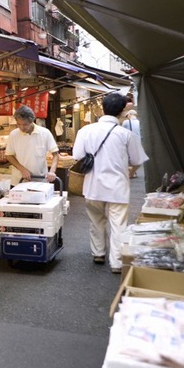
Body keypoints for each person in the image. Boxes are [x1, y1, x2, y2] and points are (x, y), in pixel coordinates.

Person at [72, 93, 148, 274]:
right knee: (118, 224)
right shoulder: (126, 134)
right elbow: (137, 159)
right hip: (118, 187)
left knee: (96, 220)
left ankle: (98, 253)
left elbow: (77, 157)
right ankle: (117, 262)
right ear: (122, 111)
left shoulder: (85, 131)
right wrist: (131, 171)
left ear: (102, 109)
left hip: (93, 185)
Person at [5, 105, 60, 185]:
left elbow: (55, 154)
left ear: (32, 121)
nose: (21, 127)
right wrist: (22, 169)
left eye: (25, 124)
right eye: (19, 124)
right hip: (19, 181)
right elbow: (9, 155)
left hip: (41, 180)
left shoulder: (45, 133)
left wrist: (52, 171)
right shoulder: (14, 135)